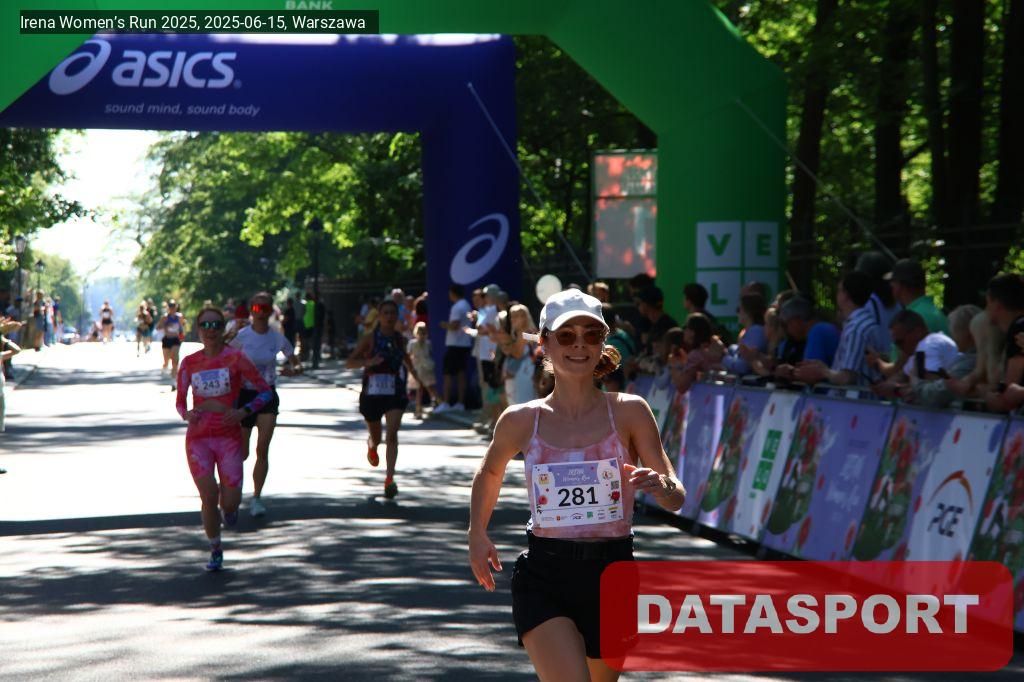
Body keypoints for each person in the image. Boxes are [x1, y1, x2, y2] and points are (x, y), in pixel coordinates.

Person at [468, 288, 685, 681]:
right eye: (567, 336)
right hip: (545, 575)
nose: (579, 345)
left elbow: (676, 497)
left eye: (591, 334)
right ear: (545, 342)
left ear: (603, 342)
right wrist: (477, 533)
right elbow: (490, 472)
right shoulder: (521, 419)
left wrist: (661, 486)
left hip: (613, 574)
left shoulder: (630, 412)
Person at [176, 305, 273, 571]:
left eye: (216, 325)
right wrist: (187, 414)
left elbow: (265, 392)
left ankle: (229, 510)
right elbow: (180, 402)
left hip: (228, 437)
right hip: (198, 439)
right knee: (208, 495)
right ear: (198, 330)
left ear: (223, 328)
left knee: (229, 502)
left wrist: (243, 411)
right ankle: (215, 548)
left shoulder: (236, 358)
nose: (210, 330)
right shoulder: (189, 363)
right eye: (205, 325)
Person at [228, 292, 302, 517]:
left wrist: (293, 370)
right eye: (257, 308)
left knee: (262, 449)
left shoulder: (277, 338)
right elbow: (224, 360)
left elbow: (296, 363)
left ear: (271, 311)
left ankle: (257, 498)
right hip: (244, 395)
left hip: (267, 395)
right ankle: (233, 489)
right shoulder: (242, 336)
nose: (260, 313)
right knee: (242, 452)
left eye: (265, 309)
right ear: (251, 310)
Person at [346, 299, 423, 499]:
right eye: (385, 313)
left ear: (397, 316)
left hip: (395, 392)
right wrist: (368, 361)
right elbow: (349, 362)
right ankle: (372, 445)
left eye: (392, 313)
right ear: (379, 317)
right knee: (378, 438)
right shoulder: (369, 338)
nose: (389, 317)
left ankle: (390, 479)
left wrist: (417, 377)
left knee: (392, 435)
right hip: (372, 394)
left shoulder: (400, 339)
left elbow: (406, 359)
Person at [793, 270, 880, 386]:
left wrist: (823, 371)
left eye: (839, 290)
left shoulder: (856, 329)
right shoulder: (866, 322)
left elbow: (847, 378)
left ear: (846, 295)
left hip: (852, 396)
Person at [885, 258, 948, 334]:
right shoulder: (936, 311)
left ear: (900, 286)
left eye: (893, 281)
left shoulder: (912, 318)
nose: (891, 285)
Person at [437, 284, 473, 413]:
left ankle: (446, 403)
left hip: (456, 345)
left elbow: (454, 325)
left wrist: (444, 325)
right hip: (464, 344)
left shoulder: (457, 307)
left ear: (453, 293)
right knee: (460, 373)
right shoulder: (466, 304)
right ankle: (460, 403)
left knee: (448, 374)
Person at [495, 304, 539, 407]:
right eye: (512, 316)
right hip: (518, 375)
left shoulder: (527, 334)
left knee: (524, 407)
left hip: (525, 374)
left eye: (516, 316)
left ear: (524, 317)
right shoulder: (520, 334)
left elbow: (517, 354)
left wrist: (506, 344)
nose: (513, 320)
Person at [408, 321, 442, 419]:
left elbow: (409, 355)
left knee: (427, 388)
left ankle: (438, 404)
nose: (421, 335)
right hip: (421, 368)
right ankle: (420, 409)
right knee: (424, 389)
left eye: (423, 333)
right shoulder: (416, 343)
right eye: (420, 333)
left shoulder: (425, 343)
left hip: (423, 368)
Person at [157, 299, 187, 388]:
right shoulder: (164, 317)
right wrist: (165, 325)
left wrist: (182, 335)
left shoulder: (179, 316)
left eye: (173, 306)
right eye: (170, 306)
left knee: (175, 359)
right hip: (166, 339)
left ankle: (174, 381)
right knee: (166, 360)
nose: (172, 308)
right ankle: (165, 366)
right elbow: (158, 327)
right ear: (168, 307)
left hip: (176, 340)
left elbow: (182, 327)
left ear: (176, 307)